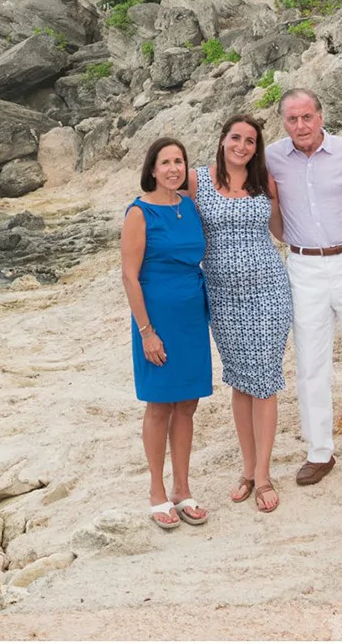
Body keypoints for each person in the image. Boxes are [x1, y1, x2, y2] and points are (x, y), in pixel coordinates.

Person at [262, 87, 342, 484]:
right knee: (311, 361)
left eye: (307, 117)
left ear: (321, 116)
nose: (301, 125)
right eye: (292, 119)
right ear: (283, 122)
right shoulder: (272, 158)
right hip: (304, 266)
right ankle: (319, 452)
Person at [198, 113, 293, 513]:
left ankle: (264, 475)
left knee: (265, 381)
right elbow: (169, 216)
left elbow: (283, 230)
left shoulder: (264, 182)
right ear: (223, 139)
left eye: (250, 141)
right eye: (235, 137)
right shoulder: (197, 181)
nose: (242, 146)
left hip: (268, 291)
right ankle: (248, 469)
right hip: (222, 297)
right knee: (239, 380)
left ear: (257, 148)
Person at [120, 135, 214, 530]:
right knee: (160, 404)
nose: (174, 169)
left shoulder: (189, 205)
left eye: (179, 162)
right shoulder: (139, 213)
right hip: (156, 319)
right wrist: (146, 331)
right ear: (153, 170)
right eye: (166, 162)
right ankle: (157, 491)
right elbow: (129, 276)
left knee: (188, 404)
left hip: (192, 316)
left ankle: (182, 489)